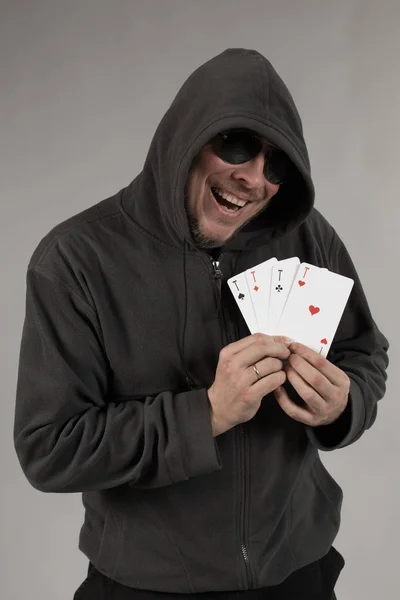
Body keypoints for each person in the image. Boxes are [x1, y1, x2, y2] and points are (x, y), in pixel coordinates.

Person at [13, 48, 389, 600]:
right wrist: (205, 415)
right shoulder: (74, 261)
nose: (254, 178)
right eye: (235, 145)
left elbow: (364, 352)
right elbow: (50, 449)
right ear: (186, 138)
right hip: (146, 587)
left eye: (277, 164)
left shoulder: (306, 236)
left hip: (297, 575)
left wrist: (344, 405)